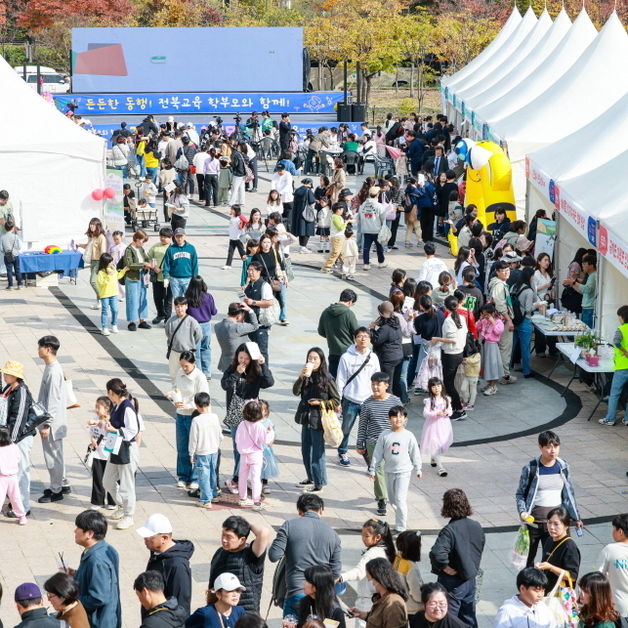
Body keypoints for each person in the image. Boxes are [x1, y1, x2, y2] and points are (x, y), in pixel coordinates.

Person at [515, 430, 583, 567]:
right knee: (527, 561)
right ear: (540, 447)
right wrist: (522, 512)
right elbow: (520, 494)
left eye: (556, 446)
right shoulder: (531, 469)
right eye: (548, 447)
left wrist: (576, 517)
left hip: (556, 523)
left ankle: (549, 587)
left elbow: (569, 494)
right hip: (533, 523)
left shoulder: (563, 466)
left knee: (554, 560)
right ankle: (528, 586)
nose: (553, 451)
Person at [268, 494, 342, 618]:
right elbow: (335, 574)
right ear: (321, 510)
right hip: (320, 599)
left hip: (295, 593)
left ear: (299, 511)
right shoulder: (333, 534)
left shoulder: (289, 526)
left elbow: (274, 555)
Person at [221, 343, 274, 493]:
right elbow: (225, 385)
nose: (242, 360)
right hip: (236, 413)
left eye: (246, 358)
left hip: (252, 414)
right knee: (239, 447)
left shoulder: (256, 371)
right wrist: (236, 373)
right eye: (240, 357)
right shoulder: (232, 369)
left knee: (257, 446)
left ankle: (259, 479)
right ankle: (238, 478)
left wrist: (263, 365)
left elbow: (269, 382)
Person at [429, 488, 485, 628]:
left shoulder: (450, 530)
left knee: (448, 620)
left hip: (452, 583)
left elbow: (437, 553)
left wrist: (445, 567)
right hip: (470, 580)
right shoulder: (476, 526)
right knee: (469, 617)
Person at [293, 348, 340, 493]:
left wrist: (320, 403)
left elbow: (336, 401)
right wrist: (301, 377)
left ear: (321, 361)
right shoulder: (306, 376)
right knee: (305, 450)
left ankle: (319, 482)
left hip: (319, 419)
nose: (312, 361)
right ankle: (311, 477)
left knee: (317, 452)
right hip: (306, 417)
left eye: (315, 358)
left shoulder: (327, 378)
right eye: (310, 358)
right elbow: (295, 392)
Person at [369, 406, 422, 533]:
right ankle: (400, 517)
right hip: (389, 471)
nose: (398, 419)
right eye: (395, 416)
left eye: (401, 416)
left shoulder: (409, 435)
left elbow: (415, 452)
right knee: (392, 500)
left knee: (400, 499)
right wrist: (372, 469)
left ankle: (401, 527)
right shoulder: (385, 435)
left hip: (404, 471)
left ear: (405, 419)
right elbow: (377, 453)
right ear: (389, 419)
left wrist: (418, 468)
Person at [357, 372, 401, 516]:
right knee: (378, 471)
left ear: (386, 385)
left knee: (393, 471)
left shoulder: (395, 401)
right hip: (374, 443)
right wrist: (360, 444)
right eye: (373, 384)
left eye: (378, 384)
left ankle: (392, 495)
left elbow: (402, 421)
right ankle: (382, 500)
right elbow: (362, 425)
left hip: (393, 442)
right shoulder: (367, 404)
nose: (375, 387)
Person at [336, 327, 382, 467]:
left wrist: (378, 396)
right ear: (354, 339)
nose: (363, 339)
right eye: (360, 336)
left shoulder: (373, 357)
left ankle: (370, 460)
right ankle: (342, 451)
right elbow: (341, 379)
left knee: (368, 431)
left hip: (367, 400)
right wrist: (338, 399)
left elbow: (377, 377)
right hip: (350, 399)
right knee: (346, 428)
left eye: (366, 336)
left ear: (369, 339)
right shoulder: (346, 357)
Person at [102, 378, 142, 530]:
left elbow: (133, 430)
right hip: (115, 446)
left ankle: (128, 515)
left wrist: (115, 430)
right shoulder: (117, 405)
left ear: (111, 392)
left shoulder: (127, 407)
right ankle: (121, 505)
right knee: (107, 481)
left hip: (126, 449)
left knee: (126, 484)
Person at [136, 513, 194, 617]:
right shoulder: (157, 552)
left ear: (164, 538)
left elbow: (181, 605)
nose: (145, 539)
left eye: (150, 537)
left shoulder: (177, 566)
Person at [209, 516, 271, 613]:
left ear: (242, 540)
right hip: (221, 612)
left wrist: (246, 523)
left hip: (246, 616)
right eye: (223, 535)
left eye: (229, 537)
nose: (224, 540)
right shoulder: (220, 552)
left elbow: (263, 533)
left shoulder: (251, 555)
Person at [72, 510, 122, 628]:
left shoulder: (97, 561)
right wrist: (76, 574)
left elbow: (98, 597)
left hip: (99, 622)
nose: (75, 531)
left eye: (78, 528)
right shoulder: (107, 549)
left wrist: (73, 602)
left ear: (89, 533)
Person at [35, 335, 70, 504]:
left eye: (40, 347)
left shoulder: (54, 371)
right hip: (55, 421)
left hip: (52, 423)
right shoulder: (52, 368)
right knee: (57, 455)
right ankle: (62, 483)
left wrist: (46, 424)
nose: (38, 350)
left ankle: (56, 490)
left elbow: (54, 401)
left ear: (48, 349)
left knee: (52, 456)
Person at [167, 351, 209, 489]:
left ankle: (195, 477)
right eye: (182, 365)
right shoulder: (180, 373)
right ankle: (183, 476)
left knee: (196, 447)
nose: (183, 368)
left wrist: (189, 405)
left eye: (186, 366)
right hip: (180, 413)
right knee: (182, 446)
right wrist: (173, 397)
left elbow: (204, 397)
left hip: (194, 414)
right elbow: (176, 389)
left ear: (193, 364)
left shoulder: (200, 377)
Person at [340, 519, 395, 623]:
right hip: (376, 601)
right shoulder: (385, 549)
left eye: (366, 536)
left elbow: (359, 572)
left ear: (378, 537)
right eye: (362, 535)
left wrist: (341, 578)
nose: (363, 539)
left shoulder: (372, 553)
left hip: (367, 602)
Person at [1, 360, 34, 516]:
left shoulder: (21, 392)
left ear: (15, 376)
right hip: (10, 438)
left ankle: (23, 507)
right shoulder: (9, 388)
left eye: (7, 373)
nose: (4, 375)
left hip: (19, 439)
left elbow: (19, 418)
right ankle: (15, 503)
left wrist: (10, 442)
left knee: (20, 473)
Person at [429, 296, 467, 421]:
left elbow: (452, 340)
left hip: (451, 355)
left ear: (446, 306)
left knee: (448, 383)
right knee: (450, 382)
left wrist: (437, 339)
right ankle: (455, 407)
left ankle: (460, 409)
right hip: (458, 353)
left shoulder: (449, 320)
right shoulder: (461, 317)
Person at [235, 400, 274, 511]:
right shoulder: (259, 426)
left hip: (243, 455)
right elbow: (266, 440)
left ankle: (243, 498)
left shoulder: (242, 424)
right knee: (255, 478)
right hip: (256, 455)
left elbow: (237, 439)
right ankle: (256, 502)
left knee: (242, 477)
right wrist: (270, 432)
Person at [348, 557, 408, 628]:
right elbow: (379, 620)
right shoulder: (382, 597)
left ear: (378, 578)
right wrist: (362, 614)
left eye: (368, 578)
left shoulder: (393, 605)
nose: (368, 582)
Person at [537, 506, 581, 594]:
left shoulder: (569, 547)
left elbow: (572, 576)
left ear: (566, 526)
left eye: (556, 524)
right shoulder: (549, 539)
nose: (551, 527)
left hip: (560, 596)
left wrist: (551, 567)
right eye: (549, 523)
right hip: (546, 591)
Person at [189, 392, 222, 507]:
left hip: (202, 452)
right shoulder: (215, 416)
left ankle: (206, 499)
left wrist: (191, 453)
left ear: (196, 406)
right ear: (209, 403)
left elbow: (193, 439)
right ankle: (214, 494)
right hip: (214, 450)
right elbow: (219, 434)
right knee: (213, 473)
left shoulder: (196, 420)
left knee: (203, 475)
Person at [599, 305, 628, 426]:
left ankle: (610, 418)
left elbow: (616, 342)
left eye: (619, 317)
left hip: (622, 366)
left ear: (622, 317)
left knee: (615, 393)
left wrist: (624, 351)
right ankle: (627, 419)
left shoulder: (621, 329)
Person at [488, 261, 517, 385]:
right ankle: (505, 375)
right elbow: (500, 304)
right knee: (505, 348)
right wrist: (509, 319)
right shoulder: (499, 285)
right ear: (497, 272)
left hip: (498, 320)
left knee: (501, 348)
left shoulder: (499, 283)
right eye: (503, 270)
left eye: (508, 270)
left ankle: (500, 373)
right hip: (503, 320)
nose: (506, 272)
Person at [185, 276, 218, 380]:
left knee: (196, 351)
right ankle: (207, 373)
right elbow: (214, 312)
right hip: (206, 326)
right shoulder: (208, 296)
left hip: (193, 326)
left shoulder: (188, 298)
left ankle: (198, 373)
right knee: (206, 348)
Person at [243, 261, 275, 363]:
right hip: (249, 324)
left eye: (252, 270)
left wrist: (253, 302)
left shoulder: (264, 285)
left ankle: (264, 375)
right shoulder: (249, 285)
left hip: (261, 325)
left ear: (259, 271)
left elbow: (269, 302)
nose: (250, 272)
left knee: (261, 352)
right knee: (250, 352)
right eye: (249, 270)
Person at [370, 301, 404, 398]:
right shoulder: (396, 322)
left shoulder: (385, 328)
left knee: (387, 384)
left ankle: (389, 404)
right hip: (398, 356)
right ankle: (400, 400)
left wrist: (372, 329)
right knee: (396, 381)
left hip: (388, 359)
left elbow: (376, 340)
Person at [420, 377, 453, 478]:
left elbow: (450, 411)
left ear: (441, 386)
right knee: (435, 443)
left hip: (444, 425)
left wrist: (447, 413)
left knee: (442, 443)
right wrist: (436, 413)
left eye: (438, 386)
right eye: (433, 386)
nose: (436, 388)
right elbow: (425, 413)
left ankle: (433, 458)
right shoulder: (429, 401)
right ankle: (440, 467)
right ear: (430, 388)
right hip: (432, 426)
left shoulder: (446, 399)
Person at [510, 267, 539, 378]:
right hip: (524, 321)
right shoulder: (528, 291)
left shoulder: (514, 287)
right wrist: (536, 305)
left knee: (511, 346)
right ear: (529, 277)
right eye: (533, 276)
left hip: (514, 320)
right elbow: (528, 309)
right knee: (525, 347)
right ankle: (527, 371)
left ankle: (507, 368)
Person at [215, 303, 260, 373]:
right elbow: (255, 326)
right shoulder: (236, 327)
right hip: (239, 363)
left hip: (225, 362)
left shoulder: (217, 326)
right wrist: (251, 311)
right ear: (239, 316)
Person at [598, 513, 628, 617]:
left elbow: (597, 578)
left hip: (617, 608)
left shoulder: (610, 550)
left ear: (620, 532)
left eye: (614, 529)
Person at [123, 229, 152, 332]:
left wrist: (148, 263)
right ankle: (131, 321)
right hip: (132, 277)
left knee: (143, 297)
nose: (142, 243)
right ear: (137, 239)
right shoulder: (128, 250)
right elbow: (129, 264)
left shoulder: (141, 249)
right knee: (132, 299)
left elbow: (146, 258)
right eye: (142, 241)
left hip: (142, 276)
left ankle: (142, 320)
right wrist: (143, 264)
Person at [77, 217, 108, 309]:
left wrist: (104, 266)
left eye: (93, 224)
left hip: (99, 262)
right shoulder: (92, 236)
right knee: (97, 282)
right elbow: (88, 246)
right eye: (90, 224)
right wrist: (79, 245)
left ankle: (103, 299)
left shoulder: (101, 237)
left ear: (98, 226)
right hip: (93, 262)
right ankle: (99, 302)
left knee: (93, 281)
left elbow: (103, 252)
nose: (91, 226)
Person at [0, 426, 27, 524]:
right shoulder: (14, 447)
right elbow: (18, 459)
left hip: (1, 478)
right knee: (15, 498)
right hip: (13, 477)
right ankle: (22, 516)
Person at [476, 303, 504, 397]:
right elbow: (477, 328)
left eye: (486, 314)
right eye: (483, 314)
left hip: (492, 345)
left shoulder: (498, 321)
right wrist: (480, 320)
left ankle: (493, 386)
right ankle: (489, 384)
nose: (485, 316)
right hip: (484, 345)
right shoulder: (484, 320)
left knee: (492, 366)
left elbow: (498, 332)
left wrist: (493, 322)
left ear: (492, 313)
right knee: (486, 366)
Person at [162, 228, 199, 299]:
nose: (179, 239)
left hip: (188, 278)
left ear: (185, 236)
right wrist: (166, 277)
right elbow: (166, 264)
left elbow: (194, 264)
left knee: (190, 300)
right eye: (177, 236)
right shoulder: (171, 249)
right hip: (175, 279)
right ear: (174, 237)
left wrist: (195, 278)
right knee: (178, 300)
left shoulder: (191, 248)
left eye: (181, 236)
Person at [147, 226, 174, 325]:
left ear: (170, 237)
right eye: (161, 236)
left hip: (169, 278)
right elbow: (148, 258)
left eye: (165, 237)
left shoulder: (173, 248)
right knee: (157, 297)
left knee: (168, 299)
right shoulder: (155, 247)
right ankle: (160, 314)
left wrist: (164, 270)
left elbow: (175, 263)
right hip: (157, 277)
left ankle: (168, 317)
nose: (162, 238)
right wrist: (154, 267)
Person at [394, 531, 423, 618]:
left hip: (398, 604)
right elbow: (416, 593)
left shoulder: (397, 558)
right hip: (412, 609)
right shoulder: (410, 566)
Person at [96, 253, 125, 335]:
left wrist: (123, 271)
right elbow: (101, 283)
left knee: (115, 310)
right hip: (105, 295)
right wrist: (108, 276)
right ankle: (104, 327)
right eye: (110, 262)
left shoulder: (113, 268)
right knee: (105, 311)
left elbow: (117, 276)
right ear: (105, 263)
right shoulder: (101, 272)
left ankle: (114, 324)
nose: (112, 263)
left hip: (114, 293)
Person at [359, 186, 387, 270]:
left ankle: (366, 264)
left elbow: (360, 216)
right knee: (379, 247)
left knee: (366, 247)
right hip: (376, 229)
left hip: (366, 229)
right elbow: (383, 217)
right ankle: (381, 262)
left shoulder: (363, 204)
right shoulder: (378, 205)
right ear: (377, 194)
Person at [321, 202, 348, 273]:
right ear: (337, 210)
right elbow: (340, 227)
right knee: (335, 253)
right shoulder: (335, 217)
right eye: (341, 209)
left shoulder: (337, 216)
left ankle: (345, 266)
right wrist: (346, 222)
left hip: (340, 237)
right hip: (337, 237)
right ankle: (326, 267)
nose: (342, 211)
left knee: (340, 253)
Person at [291, 178, 317, 251]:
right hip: (307, 213)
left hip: (298, 213)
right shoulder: (308, 191)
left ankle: (301, 246)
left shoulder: (298, 190)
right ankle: (303, 246)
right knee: (307, 230)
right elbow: (312, 201)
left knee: (301, 230)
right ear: (310, 183)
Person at [1, 219, 23, 290]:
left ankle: (10, 285)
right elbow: (19, 246)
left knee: (9, 270)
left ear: (5, 228)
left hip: (7, 255)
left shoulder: (2, 237)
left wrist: (5, 252)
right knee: (17, 269)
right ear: (13, 228)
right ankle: (19, 284)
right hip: (16, 255)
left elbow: (1, 248)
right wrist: (15, 250)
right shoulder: (16, 236)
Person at [223, 205, 247, 270]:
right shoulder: (232, 217)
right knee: (230, 251)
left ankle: (247, 263)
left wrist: (241, 226)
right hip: (232, 238)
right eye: (231, 209)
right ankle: (228, 264)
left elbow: (245, 222)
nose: (231, 210)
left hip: (238, 238)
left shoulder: (239, 217)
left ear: (236, 210)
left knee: (242, 252)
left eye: (232, 209)